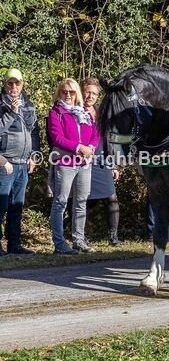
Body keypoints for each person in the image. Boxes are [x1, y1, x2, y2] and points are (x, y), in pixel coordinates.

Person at [48, 78, 100, 255]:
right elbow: (57, 138)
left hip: (84, 164)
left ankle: (79, 240)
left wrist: (91, 148)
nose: (68, 95)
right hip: (65, 163)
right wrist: (79, 148)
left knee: (81, 202)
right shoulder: (56, 112)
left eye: (71, 92)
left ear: (77, 92)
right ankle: (59, 243)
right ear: (59, 92)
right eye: (64, 91)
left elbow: (95, 134)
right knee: (60, 202)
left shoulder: (84, 112)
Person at [0, 69, 41, 255]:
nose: (13, 87)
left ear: (22, 84)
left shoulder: (29, 105)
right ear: (4, 85)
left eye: (17, 83)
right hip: (4, 163)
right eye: (10, 83)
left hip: (23, 164)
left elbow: (34, 132)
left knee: (16, 207)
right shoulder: (1, 105)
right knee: (1, 206)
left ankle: (14, 245)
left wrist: (34, 155)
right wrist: (11, 112)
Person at [82, 78, 120, 246]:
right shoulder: (76, 110)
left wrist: (113, 164)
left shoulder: (101, 112)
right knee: (86, 201)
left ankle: (113, 237)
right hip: (83, 161)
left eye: (95, 93)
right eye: (88, 92)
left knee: (112, 199)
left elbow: (108, 140)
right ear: (82, 91)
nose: (90, 96)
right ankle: (82, 236)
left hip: (102, 161)